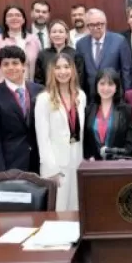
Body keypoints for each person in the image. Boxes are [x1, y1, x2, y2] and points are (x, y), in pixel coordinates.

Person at [35, 52, 86, 211]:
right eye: (58, 68)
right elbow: (42, 138)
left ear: (72, 70)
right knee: (58, 210)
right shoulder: (44, 99)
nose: (62, 71)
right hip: (56, 164)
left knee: (75, 208)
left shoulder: (80, 95)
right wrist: (51, 170)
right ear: (52, 71)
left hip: (76, 160)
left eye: (66, 67)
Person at [0, 45, 43, 173]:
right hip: (10, 165)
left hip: (39, 163)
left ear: (23, 65)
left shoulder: (39, 91)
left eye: (15, 63)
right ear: (0, 67)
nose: (11, 67)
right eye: (6, 64)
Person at [76, 8, 132, 94]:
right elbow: (80, 74)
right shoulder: (81, 44)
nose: (96, 28)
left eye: (99, 24)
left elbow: (127, 71)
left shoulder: (119, 41)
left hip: (114, 94)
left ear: (105, 23)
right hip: (91, 96)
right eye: (91, 25)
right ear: (87, 26)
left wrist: (128, 94)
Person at [83, 69, 132, 161]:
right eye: (102, 84)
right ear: (96, 86)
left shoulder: (126, 110)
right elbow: (85, 141)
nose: (106, 88)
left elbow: (130, 146)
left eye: (110, 84)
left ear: (116, 87)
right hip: (93, 164)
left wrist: (114, 153)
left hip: (118, 164)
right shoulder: (88, 110)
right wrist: (89, 156)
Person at [0, 5, 42, 83]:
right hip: (3, 87)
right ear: (5, 21)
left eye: (18, 15)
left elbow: (40, 66)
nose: (14, 18)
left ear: (23, 20)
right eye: (10, 15)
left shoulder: (34, 40)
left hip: (29, 86)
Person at [33, 19, 86, 85]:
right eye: (54, 32)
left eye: (61, 32)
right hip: (48, 90)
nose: (57, 34)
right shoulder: (42, 55)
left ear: (66, 35)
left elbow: (80, 80)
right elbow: (38, 80)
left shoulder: (76, 54)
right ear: (49, 35)